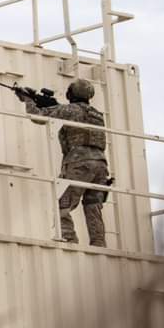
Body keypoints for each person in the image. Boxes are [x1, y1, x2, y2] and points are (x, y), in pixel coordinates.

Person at [18, 78, 109, 246]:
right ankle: (98, 243)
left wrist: (28, 99)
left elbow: (37, 116)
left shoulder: (69, 110)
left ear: (70, 93)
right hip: (101, 165)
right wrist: (51, 104)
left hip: (79, 163)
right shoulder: (97, 115)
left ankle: (69, 241)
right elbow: (75, 115)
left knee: (62, 203)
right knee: (93, 206)